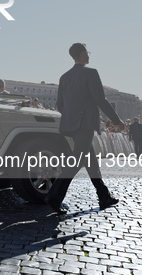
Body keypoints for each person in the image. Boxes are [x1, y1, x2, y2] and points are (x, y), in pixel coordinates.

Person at [44, 43, 123, 215]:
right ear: (81, 53)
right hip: (85, 124)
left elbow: (60, 105)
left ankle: (104, 196)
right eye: (87, 52)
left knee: (90, 161)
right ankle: (54, 197)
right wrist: (117, 120)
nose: (89, 55)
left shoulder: (64, 77)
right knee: (77, 161)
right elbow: (100, 100)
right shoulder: (91, 73)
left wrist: (71, 117)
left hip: (71, 126)